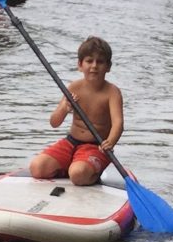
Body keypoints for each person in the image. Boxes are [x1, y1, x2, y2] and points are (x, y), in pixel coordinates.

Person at [29, 36, 124, 186]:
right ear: (80, 65)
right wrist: (64, 108)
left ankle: (91, 173)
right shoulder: (73, 88)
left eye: (100, 62)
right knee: (37, 168)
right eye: (89, 61)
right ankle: (71, 166)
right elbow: (54, 122)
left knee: (78, 175)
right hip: (70, 142)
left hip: (96, 147)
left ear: (108, 66)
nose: (94, 66)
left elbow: (118, 123)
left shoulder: (112, 92)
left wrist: (110, 142)